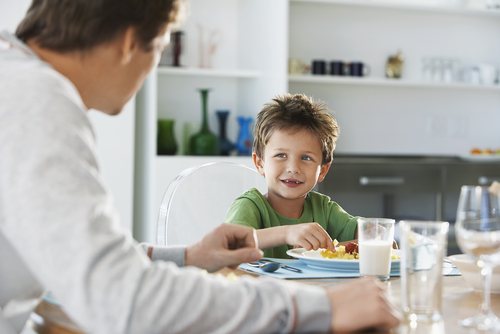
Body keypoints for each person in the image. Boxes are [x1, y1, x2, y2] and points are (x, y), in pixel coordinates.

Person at [0, 1, 401, 333]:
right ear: (127, 43)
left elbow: (84, 258)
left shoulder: (17, 80)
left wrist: (187, 256)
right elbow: (124, 299)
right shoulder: (38, 102)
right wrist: (318, 308)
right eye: (159, 48)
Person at [225, 94, 359, 258]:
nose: (293, 168)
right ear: (260, 163)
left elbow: (376, 236)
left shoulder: (324, 209)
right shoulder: (250, 206)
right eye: (281, 155)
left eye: (306, 158)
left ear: (322, 170)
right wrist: (286, 233)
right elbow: (229, 246)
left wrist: (330, 250)